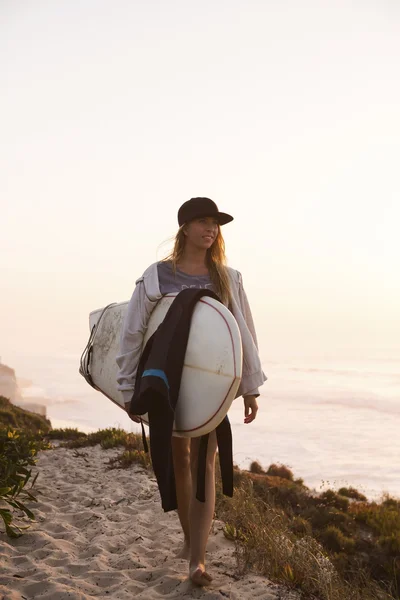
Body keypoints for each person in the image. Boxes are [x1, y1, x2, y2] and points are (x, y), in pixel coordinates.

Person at [116, 197, 267, 586]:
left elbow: (243, 332)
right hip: (166, 380)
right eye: (202, 221)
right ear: (184, 228)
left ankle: (197, 559)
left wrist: (250, 386)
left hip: (209, 382)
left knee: (205, 462)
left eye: (215, 224)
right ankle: (190, 538)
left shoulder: (227, 277)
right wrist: (126, 388)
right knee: (178, 457)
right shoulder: (157, 276)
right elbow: (134, 333)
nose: (211, 229)